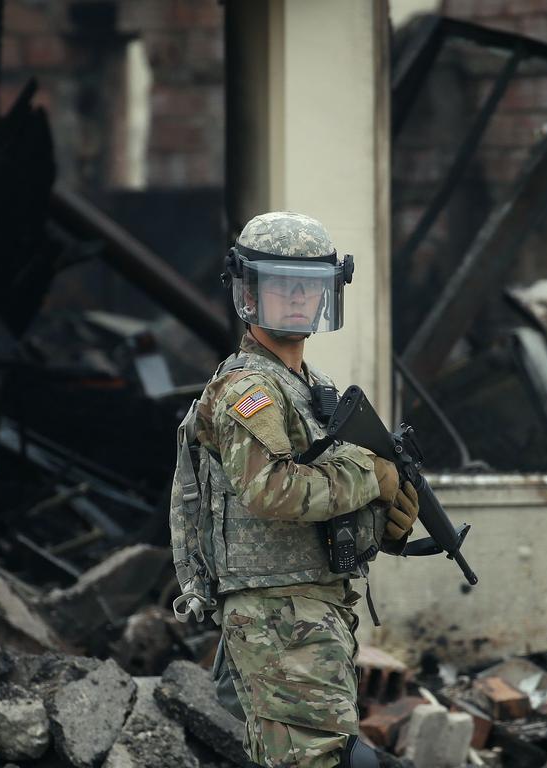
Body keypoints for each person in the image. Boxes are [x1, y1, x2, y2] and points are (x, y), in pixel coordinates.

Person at [176, 211, 420, 768]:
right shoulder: (249, 387)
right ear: (248, 292)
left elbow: (325, 499)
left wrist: (382, 517)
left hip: (311, 603)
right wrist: (370, 477)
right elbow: (270, 492)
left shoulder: (314, 390)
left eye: (307, 286)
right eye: (277, 284)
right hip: (277, 609)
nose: (294, 298)